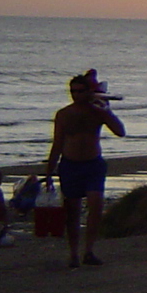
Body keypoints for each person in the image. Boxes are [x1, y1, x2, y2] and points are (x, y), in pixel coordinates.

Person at [44, 70, 125, 269]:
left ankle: (88, 250)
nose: (76, 95)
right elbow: (58, 143)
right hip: (70, 164)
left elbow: (120, 132)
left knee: (95, 206)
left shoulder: (97, 111)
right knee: (72, 212)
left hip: (93, 164)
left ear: (89, 91)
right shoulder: (64, 114)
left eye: (80, 91)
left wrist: (106, 112)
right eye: (73, 91)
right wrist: (49, 171)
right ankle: (73, 253)